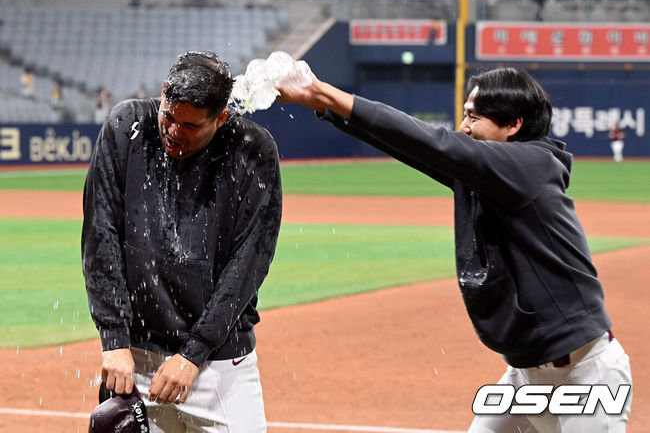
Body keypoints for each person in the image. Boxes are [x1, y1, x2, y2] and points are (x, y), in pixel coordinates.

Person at [276, 67, 632, 432]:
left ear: (513, 125)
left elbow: (434, 142)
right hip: (526, 375)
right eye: (464, 114)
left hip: (586, 375)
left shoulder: (530, 167)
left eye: (473, 117)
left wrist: (324, 93)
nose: (463, 126)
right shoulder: (485, 173)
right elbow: (413, 146)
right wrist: (326, 107)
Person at [82, 51, 282, 432]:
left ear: (221, 118)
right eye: (169, 116)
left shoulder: (252, 151)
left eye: (190, 125)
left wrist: (193, 354)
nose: (174, 131)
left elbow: (248, 263)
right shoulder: (127, 127)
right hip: (134, 361)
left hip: (218, 365)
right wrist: (113, 338)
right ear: (162, 93)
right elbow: (100, 232)